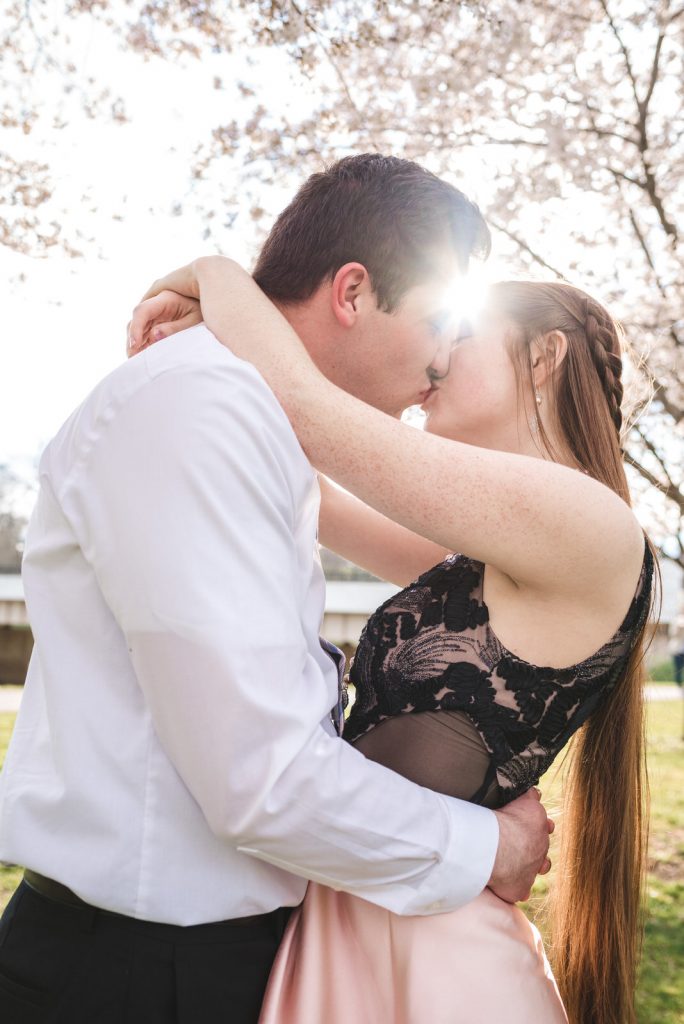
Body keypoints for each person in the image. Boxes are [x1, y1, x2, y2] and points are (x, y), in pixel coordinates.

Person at [0, 156, 552, 1024]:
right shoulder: (199, 412)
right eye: (440, 322)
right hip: (137, 975)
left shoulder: (254, 423)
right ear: (353, 292)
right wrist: (489, 847)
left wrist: (216, 281)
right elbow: (264, 780)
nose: (444, 360)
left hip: (201, 959)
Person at [128, 256, 656, 1024]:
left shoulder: (590, 525)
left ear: (546, 357)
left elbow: (308, 410)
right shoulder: (503, 555)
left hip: (442, 972)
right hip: (360, 939)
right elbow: (313, 487)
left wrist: (212, 275)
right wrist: (210, 344)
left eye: (465, 332)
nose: (435, 354)